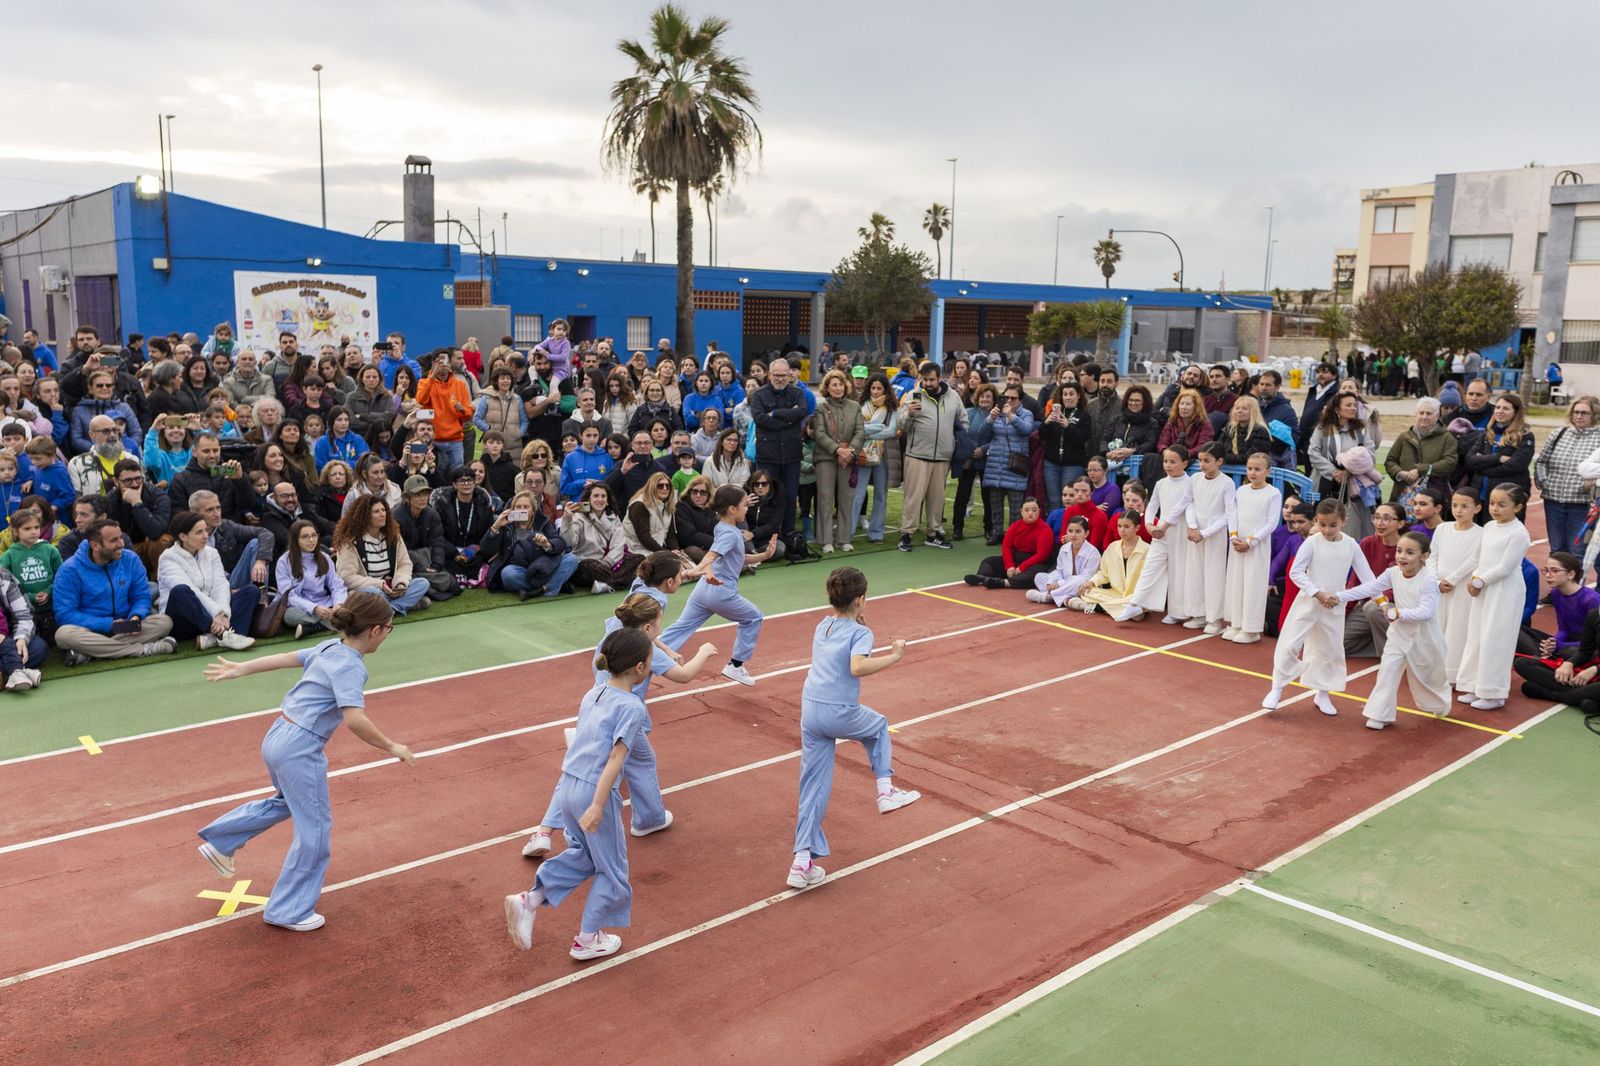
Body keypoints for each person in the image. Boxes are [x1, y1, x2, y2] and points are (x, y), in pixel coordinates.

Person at [196, 594, 413, 933]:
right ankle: (288, 909)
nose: (388, 634)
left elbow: (286, 657)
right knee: (316, 832)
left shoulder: (329, 647)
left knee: (285, 803)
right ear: (374, 631)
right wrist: (391, 745)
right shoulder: (351, 666)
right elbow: (354, 719)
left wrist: (243, 668)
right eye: (389, 629)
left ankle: (222, 840)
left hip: (277, 734)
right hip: (300, 747)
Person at [523, 586, 718, 857]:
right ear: (648, 627)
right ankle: (644, 820)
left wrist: (663, 648)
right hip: (622, 714)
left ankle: (545, 832)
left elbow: (648, 640)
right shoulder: (643, 649)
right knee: (615, 766)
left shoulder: (614, 634)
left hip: (595, 703)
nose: (661, 629)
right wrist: (704, 651)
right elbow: (683, 676)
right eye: (659, 624)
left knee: (581, 769)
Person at [503, 627, 650, 960]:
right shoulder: (632, 707)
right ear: (640, 668)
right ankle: (588, 939)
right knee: (612, 870)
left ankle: (530, 902)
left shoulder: (593, 694)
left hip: (567, 786)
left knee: (585, 856)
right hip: (592, 791)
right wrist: (599, 804)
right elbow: (616, 757)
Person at [786, 566, 920, 890]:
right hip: (838, 710)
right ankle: (885, 790)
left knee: (813, 787)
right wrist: (895, 656)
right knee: (878, 726)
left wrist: (857, 620)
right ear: (861, 599)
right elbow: (856, 667)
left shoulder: (822, 625)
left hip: (810, 710)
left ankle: (802, 862)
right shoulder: (862, 634)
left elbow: (842, 636)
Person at [1261, 500, 1377, 716]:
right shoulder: (1312, 542)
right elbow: (1296, 572)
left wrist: (1379, 600)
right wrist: (1317, 592)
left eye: (1332, 525)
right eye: (1322, 524)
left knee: (1330, 650)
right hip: (1308, 602)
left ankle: (1323, 693)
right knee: (1290, 644)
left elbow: (1368, 577)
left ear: (1344, 521)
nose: (1326, 530)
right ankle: (1277, 688)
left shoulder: (1351, 545)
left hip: (1334, 606)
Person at [659, 484, 777, 684]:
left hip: (702, 591)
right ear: (732, 509)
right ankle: (736, 666)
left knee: (682, 627)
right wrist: (702, 569)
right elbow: (712, 555)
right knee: (753, 617)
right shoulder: (731, 533)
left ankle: (647, 654)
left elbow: (736, 557)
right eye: (744, 505)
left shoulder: (722, 527)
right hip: (720, 592)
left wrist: (764, 555)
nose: (746, 509)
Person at [1337, 532, 1451, 730]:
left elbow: (1426, 612)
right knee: (1388, 670)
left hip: (1425, 637)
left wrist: (1397, 613)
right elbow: (1369, 588)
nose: (1401, 556)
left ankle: (1440, 704)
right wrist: (1338, 597)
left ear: (1424, 556)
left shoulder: (1429, 581)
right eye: (1399, 551)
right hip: (1399, 635)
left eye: (1409, 552)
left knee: (1430, 676)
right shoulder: (1393, 573)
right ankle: (1380, 714)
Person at [52, 518, 177, 663]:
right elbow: (65, 614)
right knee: (63, 635)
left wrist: (136, 616)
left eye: (121, 537)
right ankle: (143, 650)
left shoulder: (130, 559)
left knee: (164, 622)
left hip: (126, 626)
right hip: (89, 629)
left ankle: (90, 653)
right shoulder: (69, 570)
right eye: (113, 540)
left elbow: (141, 596)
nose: (121, 544)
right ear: (95, 545)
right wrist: (108, 624)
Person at [1454, 484, 1532, 710]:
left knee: (1495, 640)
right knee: (1476, 636)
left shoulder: (1519, 533)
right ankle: (1473, 685)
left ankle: (1494, 693)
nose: (1495, 508)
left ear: (1517, 507)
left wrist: (1479, 581)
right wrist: (1460, 578)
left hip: (1504, 591)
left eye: (1502, 504)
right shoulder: (1488, 526)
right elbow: (1476, 558)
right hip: (1482, 587)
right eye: (1492, 503)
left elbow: (1506, 567)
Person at [157, 510, 260, 651]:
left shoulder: (211, 553)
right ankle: (225, 634)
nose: (205, 535)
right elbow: (191, 590)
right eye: (199, 532)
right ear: (183, 536)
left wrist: (223, 613)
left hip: (213, 616)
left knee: (251, 591)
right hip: (183, 621)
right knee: (181, 590)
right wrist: (216, 613)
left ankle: (217, 638)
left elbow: (220, 584)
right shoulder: (168, 558)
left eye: (205, 530)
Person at [1115, 446, 1195, 624]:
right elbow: (1152, 506)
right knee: (1150, 567)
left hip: (1179, 532)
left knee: (1178, 571)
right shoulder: (1161, 483)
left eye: (1173, 462)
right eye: (1166, 461)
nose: (1168, 465)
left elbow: (1180, 508)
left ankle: (1177, 611)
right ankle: (1135, 603)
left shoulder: (1189, 483)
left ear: (1185, 463)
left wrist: (1164, 526)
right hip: (1160, 533)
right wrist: (1150, 525)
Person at [897, 361, 967, 552]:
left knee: (937, 499)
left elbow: (963, 420)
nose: (927, 383)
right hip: (917, 455)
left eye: (931, 379)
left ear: (939, 379)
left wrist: (956, 440)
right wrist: (909, 415)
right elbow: (900, 425)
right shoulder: (913, 396)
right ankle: (906, 534)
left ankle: (933, 533)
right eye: (924, 379)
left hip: (943, 457)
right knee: (913, 498)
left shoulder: (953, 397)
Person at [332, 495, 430, 614]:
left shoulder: (393, 535)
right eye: (376, 511)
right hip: (368, 590)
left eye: (383, 510)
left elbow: (405, 564)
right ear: (365, 516)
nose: (382, 514)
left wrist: (400, 583)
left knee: (422, 583)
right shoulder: (349, 541)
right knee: (374, 593)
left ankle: (389, 609)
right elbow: (346, 578)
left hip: (391, 586)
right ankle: (400, 606)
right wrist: (379, 584)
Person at [1220, 453, 1282, 643]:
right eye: (1250, 468)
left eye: (1258, 469)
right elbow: (1233, 515)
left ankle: (1251, 628)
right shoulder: (1241, 491)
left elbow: (1271, 522)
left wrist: (1251, 541)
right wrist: (1233, 536)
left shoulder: (1273, 493)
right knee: (1236, 582)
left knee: (1253, 584)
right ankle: (1236, 623)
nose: (1253, 473)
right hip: (1238, 543)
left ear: (1268, 471)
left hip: (1257, 546)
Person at [749, 358, 809, 538]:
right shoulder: (758, 395)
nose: (780, 379)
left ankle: (788, 534)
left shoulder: (798, 393)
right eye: (777, 375)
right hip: (768, 456)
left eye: (784, 375)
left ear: (790, 375)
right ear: (769, 375)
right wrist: (789, 420)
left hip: (792, 456)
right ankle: (767, 536)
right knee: (767, 497)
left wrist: (775, 414)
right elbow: (760, 419)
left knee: (790, 496)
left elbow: (802, 412)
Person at [1308, 390, 1380, 540]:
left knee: (1354, 524)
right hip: (1326, 482)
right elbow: (1313, 452)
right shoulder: (1323, 429)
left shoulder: (1361, 430)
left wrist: (1350, 469)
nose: (1353, 408)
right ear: (1336, 409)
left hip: (1356, 485)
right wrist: (1334, 471)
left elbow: (1370, 454)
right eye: (1348, 405)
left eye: (1355, 405)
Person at [1182, 443, 1237, 634]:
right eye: (1200, 460)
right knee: (1195, 573)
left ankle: (1214, 619)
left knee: (1213, 575)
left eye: (1207, 461)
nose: (1202, 464)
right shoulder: (1194, 478)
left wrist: (1205, 533)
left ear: (1219, 461)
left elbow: (1228, 514)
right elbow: (1189, 503)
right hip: (1194, 534)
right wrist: (1193, 526)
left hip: (1214, 536)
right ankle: (1198, 614)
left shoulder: (1226, 483)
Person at [1534, 396, 1600, 555]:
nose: (1579, 416)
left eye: (1584, 413)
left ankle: (1574, 580)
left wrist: (1588, 487)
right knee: (1556, 550)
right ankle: (1559, 580)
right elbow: (1541, 461)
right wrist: (1544, 482)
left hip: (1582, 505)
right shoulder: (1559, 434)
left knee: (1577, 552)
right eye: (1576, 412)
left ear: (1595, 415)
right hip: (1553, 502)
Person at [812, 370, 864, 555]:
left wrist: (849, 451)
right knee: (825, 498)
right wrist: (837, 450)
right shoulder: (820, 407)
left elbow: (860, 432)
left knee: (846, 498)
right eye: (833, 384)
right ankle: (825, 540)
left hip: (848, 459)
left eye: (840, 384)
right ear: (827, 387)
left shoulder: (855, 406)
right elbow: (819, 433)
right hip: (825, 457)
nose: (838, 388)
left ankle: (844, 539)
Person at [1460, 395, 1533, 520]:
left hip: (1505, 499)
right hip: (1481, 495)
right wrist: (1497, 459)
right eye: (1498, 407)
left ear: (1515, 412)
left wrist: (1482, 467)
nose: (1500, 411)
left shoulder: (1525, 436)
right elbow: (1470, 460)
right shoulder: (1487, 434)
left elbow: (1515, 466)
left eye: (1506, 408)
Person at [274, 519, 348, 638]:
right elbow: (289, 596)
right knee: (290, 616)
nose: (311, 540)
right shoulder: (284, 561)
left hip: (324, 603)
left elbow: (337, 585)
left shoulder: (324, 557)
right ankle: (334, 622)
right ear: (295, 539)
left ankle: (313, 628)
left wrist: (338, 604)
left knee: (351, 602)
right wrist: (314, 608)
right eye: (305, 537)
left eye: (314, 535)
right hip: (297, 607)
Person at [562, 482, 641, 592]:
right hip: (586, 562)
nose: (600, 499)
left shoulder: (613, 517)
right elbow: (569, 542)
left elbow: (618, 546)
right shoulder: (578, 517)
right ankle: (621, 581)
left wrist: (606, 564)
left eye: (603, 496)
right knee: (589, 566)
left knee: (639, 559)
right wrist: (567, 520)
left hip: (608, 562)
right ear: (588, 500)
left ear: (608, 500)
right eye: (596, 496)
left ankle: (607, 584)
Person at [963, 497, 1054, 590]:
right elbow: (1006, 546)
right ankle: (982, 578)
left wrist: (1022, 568)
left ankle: (1004, 583)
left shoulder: (1045, 529)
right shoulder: (1015, 526)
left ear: (1039, 511)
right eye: (1026, 510)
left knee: (1037, 573)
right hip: (1016, 559)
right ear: (1021, 511)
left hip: (1034, 563)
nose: (1030, 513)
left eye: (1034, 510)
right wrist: (1010, 566)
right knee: (988, 561)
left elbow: (1042, 555)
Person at [1524, 552, 1598, 660]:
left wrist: (1560, 646)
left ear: (1571, 574)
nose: (1548, 575)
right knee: (1520, 631)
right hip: (1567, 642)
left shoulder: (1591, 599)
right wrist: (1554, 642)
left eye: (1554, 571)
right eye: (1546, 570)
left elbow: (1595, 640)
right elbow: (1564, 629)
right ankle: (1548, 658)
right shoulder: (1556, 593)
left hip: (1587, 647)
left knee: (1569, 652)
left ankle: (1548, 661)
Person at [1075, 511, 1149, 616]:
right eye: (1119, 526)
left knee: (1138, 601)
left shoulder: (1147, 550)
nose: (1122, 530)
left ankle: (1099, 607)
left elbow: (1149, 581)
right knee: (1087, 592)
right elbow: (1104, 573)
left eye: (1126, 527)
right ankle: (1124, 610)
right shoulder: (1112, 547)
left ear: (1137, 528)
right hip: (1115, 595)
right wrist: (1092, 582)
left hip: (1136, 596)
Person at [1385, 398, 1458, 501]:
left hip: (1432, 497)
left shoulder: (1447, 438)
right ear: (1416, 414)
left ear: (1437, 416)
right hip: (1402, 494)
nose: (1424, 417)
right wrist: (1400, 473)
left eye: (1429, 413)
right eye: (1421, 413)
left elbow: (1450, 463)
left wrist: (1420, 470)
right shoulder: (1404, 437)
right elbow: (1390, 461)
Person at [414, 352, 474, 472]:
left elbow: (469, 413)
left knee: (457, 475)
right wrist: (431, 378)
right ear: (433, 364)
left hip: (455, 440)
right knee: (432, 473)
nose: (443, 365)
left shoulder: (460, 385)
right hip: (432, 440)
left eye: (445, 361)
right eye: (439, 361)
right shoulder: (424, 382)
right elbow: (420, 400)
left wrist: (463, 410)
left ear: (450, 364)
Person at [1028, 515, 1102, 606]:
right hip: (1066, 583)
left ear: (1086, 533)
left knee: (1078, 581)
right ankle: (1065, 598)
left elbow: (1086, 577)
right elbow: (1059, 570)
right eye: (1070, 531)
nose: (1073, 535)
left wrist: (1059, 584)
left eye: (1078, 531)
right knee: (1039, 577)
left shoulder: (1093, 553)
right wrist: (1051, 582)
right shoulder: (1064, 548)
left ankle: (1048, 597)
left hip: (1083, 586)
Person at [1217, 396, 1273, 466]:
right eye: (1237, 408)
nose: (1239, 411)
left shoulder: (1260, 431)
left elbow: (1250, 458)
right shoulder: (1228, 429)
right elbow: (1218, 449)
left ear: (1253, 412)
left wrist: (1225, 458)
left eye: (1244, 409)